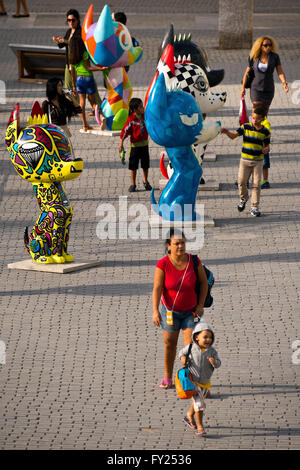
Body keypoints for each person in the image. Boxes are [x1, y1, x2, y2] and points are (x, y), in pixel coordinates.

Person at [152, 229, 208, 389]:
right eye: (176, 243)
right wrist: (155, 311)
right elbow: (157, 288)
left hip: (191, 312)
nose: (180, 246)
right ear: (169, 246)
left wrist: (200, 304)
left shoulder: (194, 261)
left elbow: (204, 283)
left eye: (182, 243)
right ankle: (168, 377)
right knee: (170, 343)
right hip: (170, 312)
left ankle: (190, 378)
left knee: (191, 346)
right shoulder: (162, 264)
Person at [241, 35, 288, 189]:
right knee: (256, 113)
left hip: (268, 91)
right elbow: (246, 73)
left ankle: (261, 135)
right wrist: (242, 88)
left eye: (269, 45)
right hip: (255, 90)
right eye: (265, 45)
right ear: (260, 46)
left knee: (263, 116)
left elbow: (280, 71)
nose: (267, 47)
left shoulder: (275, 57)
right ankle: (253, 133)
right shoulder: (253, 57)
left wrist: (284, 83)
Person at [221, 105, 271, 217]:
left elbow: (267, 145)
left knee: (256, 184)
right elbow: (234, 136)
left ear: (263, 119)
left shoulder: (265, 132)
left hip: (258, 161)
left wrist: (266, 149)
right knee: (241, 182)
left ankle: (254, 207)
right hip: (245, 160)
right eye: (253, 118)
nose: (254, 120)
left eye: (257, 118)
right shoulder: (245, 127)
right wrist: (227, 132)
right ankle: (243, 199)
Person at [53, 9, 102, 113]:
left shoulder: (81, 32)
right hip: (69, 65)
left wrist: (67, 41)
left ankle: (98, 108)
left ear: (78, 20)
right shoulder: (69, 31)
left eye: (73, 20)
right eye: (68, 20)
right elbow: (62, 45)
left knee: (91, 91)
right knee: (67, 88)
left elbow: (79, 45)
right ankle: (76, 106)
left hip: (80, 66)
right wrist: (58, 41)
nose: (71, 22)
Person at [179, 322, 221, 436]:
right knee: (199, 403)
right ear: (196, 337)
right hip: (193, 381)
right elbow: (181, 353)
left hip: (204, 382)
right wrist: (183, 359)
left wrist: (214, 362)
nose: (208, 339)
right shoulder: (191, 347)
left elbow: (218, 364)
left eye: (210, 337)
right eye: (205, 337)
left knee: (198, 401)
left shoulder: (212, 351)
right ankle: (200, 427)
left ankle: (189, 415)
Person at [69, 36, 107, 132]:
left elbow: (72, 74)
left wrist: (73, 86)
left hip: (79, 80)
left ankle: (85, 125)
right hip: (88, 79)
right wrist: (100, 69)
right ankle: (102, 117)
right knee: (93, 102)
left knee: (82, 103)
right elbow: (88, 68)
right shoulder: (84, 54)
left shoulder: (72, 58)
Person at [119, 98, 152, 192]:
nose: (143, 108)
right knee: (133, 166)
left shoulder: (145, 117)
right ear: (135, 110)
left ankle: (146, 181)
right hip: (134, 147)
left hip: (144, 145)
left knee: (145, 165)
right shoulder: (131, 120)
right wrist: (121, 143)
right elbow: (124, 131)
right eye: (141, 107)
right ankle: (133, 184)